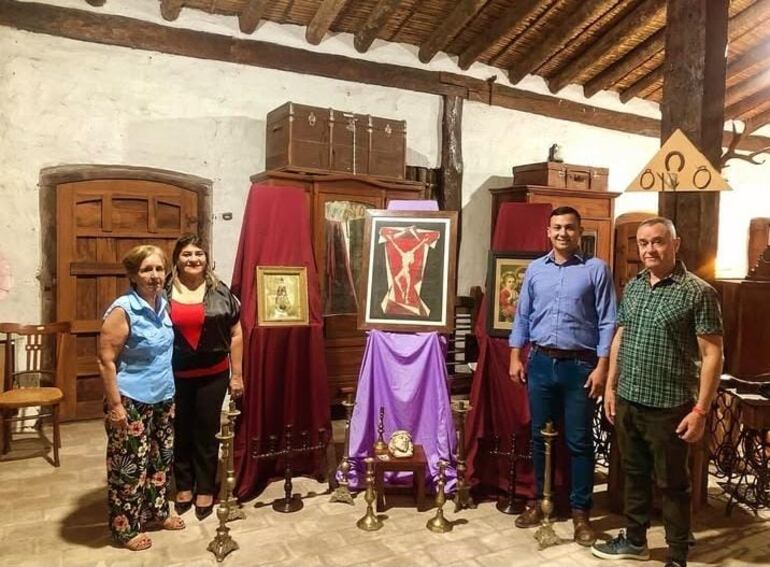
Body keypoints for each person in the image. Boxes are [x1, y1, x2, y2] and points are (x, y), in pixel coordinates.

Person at [592, 217, 723, 567]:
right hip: (630, 399)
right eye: (643, 242)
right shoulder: (633, 286)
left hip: (670, 407)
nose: (650, 249)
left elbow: (712, 354)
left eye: (658, 242)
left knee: (672, 485)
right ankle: (635, 540)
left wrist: (700, 411)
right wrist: (611, 387)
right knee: (633, 476)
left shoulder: (698, 292)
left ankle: (677, 554)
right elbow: (621, 336)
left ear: (675, 244)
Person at [509, 206, 616, 546]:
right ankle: (543, 503)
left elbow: (607, 321)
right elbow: (522, 315)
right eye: (557, 227)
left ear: (579, 231)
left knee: (579, 441)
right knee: (540, 437)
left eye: (569, 228)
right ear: (548, 231)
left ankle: (581, 511)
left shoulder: (596, 270)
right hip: (540, 362)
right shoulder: (535, 271)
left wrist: (602, 367)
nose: (562, 233)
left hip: (580, 366)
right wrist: (516, 355)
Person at [98, 245, 185, 551]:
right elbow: (106, 360)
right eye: (147, 270)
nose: (154, 275)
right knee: (129, 467)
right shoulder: (123, 309)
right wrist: (116, 405)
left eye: (159, 269)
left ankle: (157, 512)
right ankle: (125, 529)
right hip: (131, 398)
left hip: (164, 394)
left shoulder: (163, 304)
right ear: (133, 275)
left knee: (160, 460)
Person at [166, 234, 243, 521]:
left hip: (213, 374)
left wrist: (238, 375)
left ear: (206, 259)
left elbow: (236, 335)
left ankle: (206, 487)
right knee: (180, 430)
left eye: (198, 253)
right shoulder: (162, 292)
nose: (193, 259)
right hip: (174, 376)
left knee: (206, 432)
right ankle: (184, 485)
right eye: (186, 254)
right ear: (177, 259)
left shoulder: (221, 292)